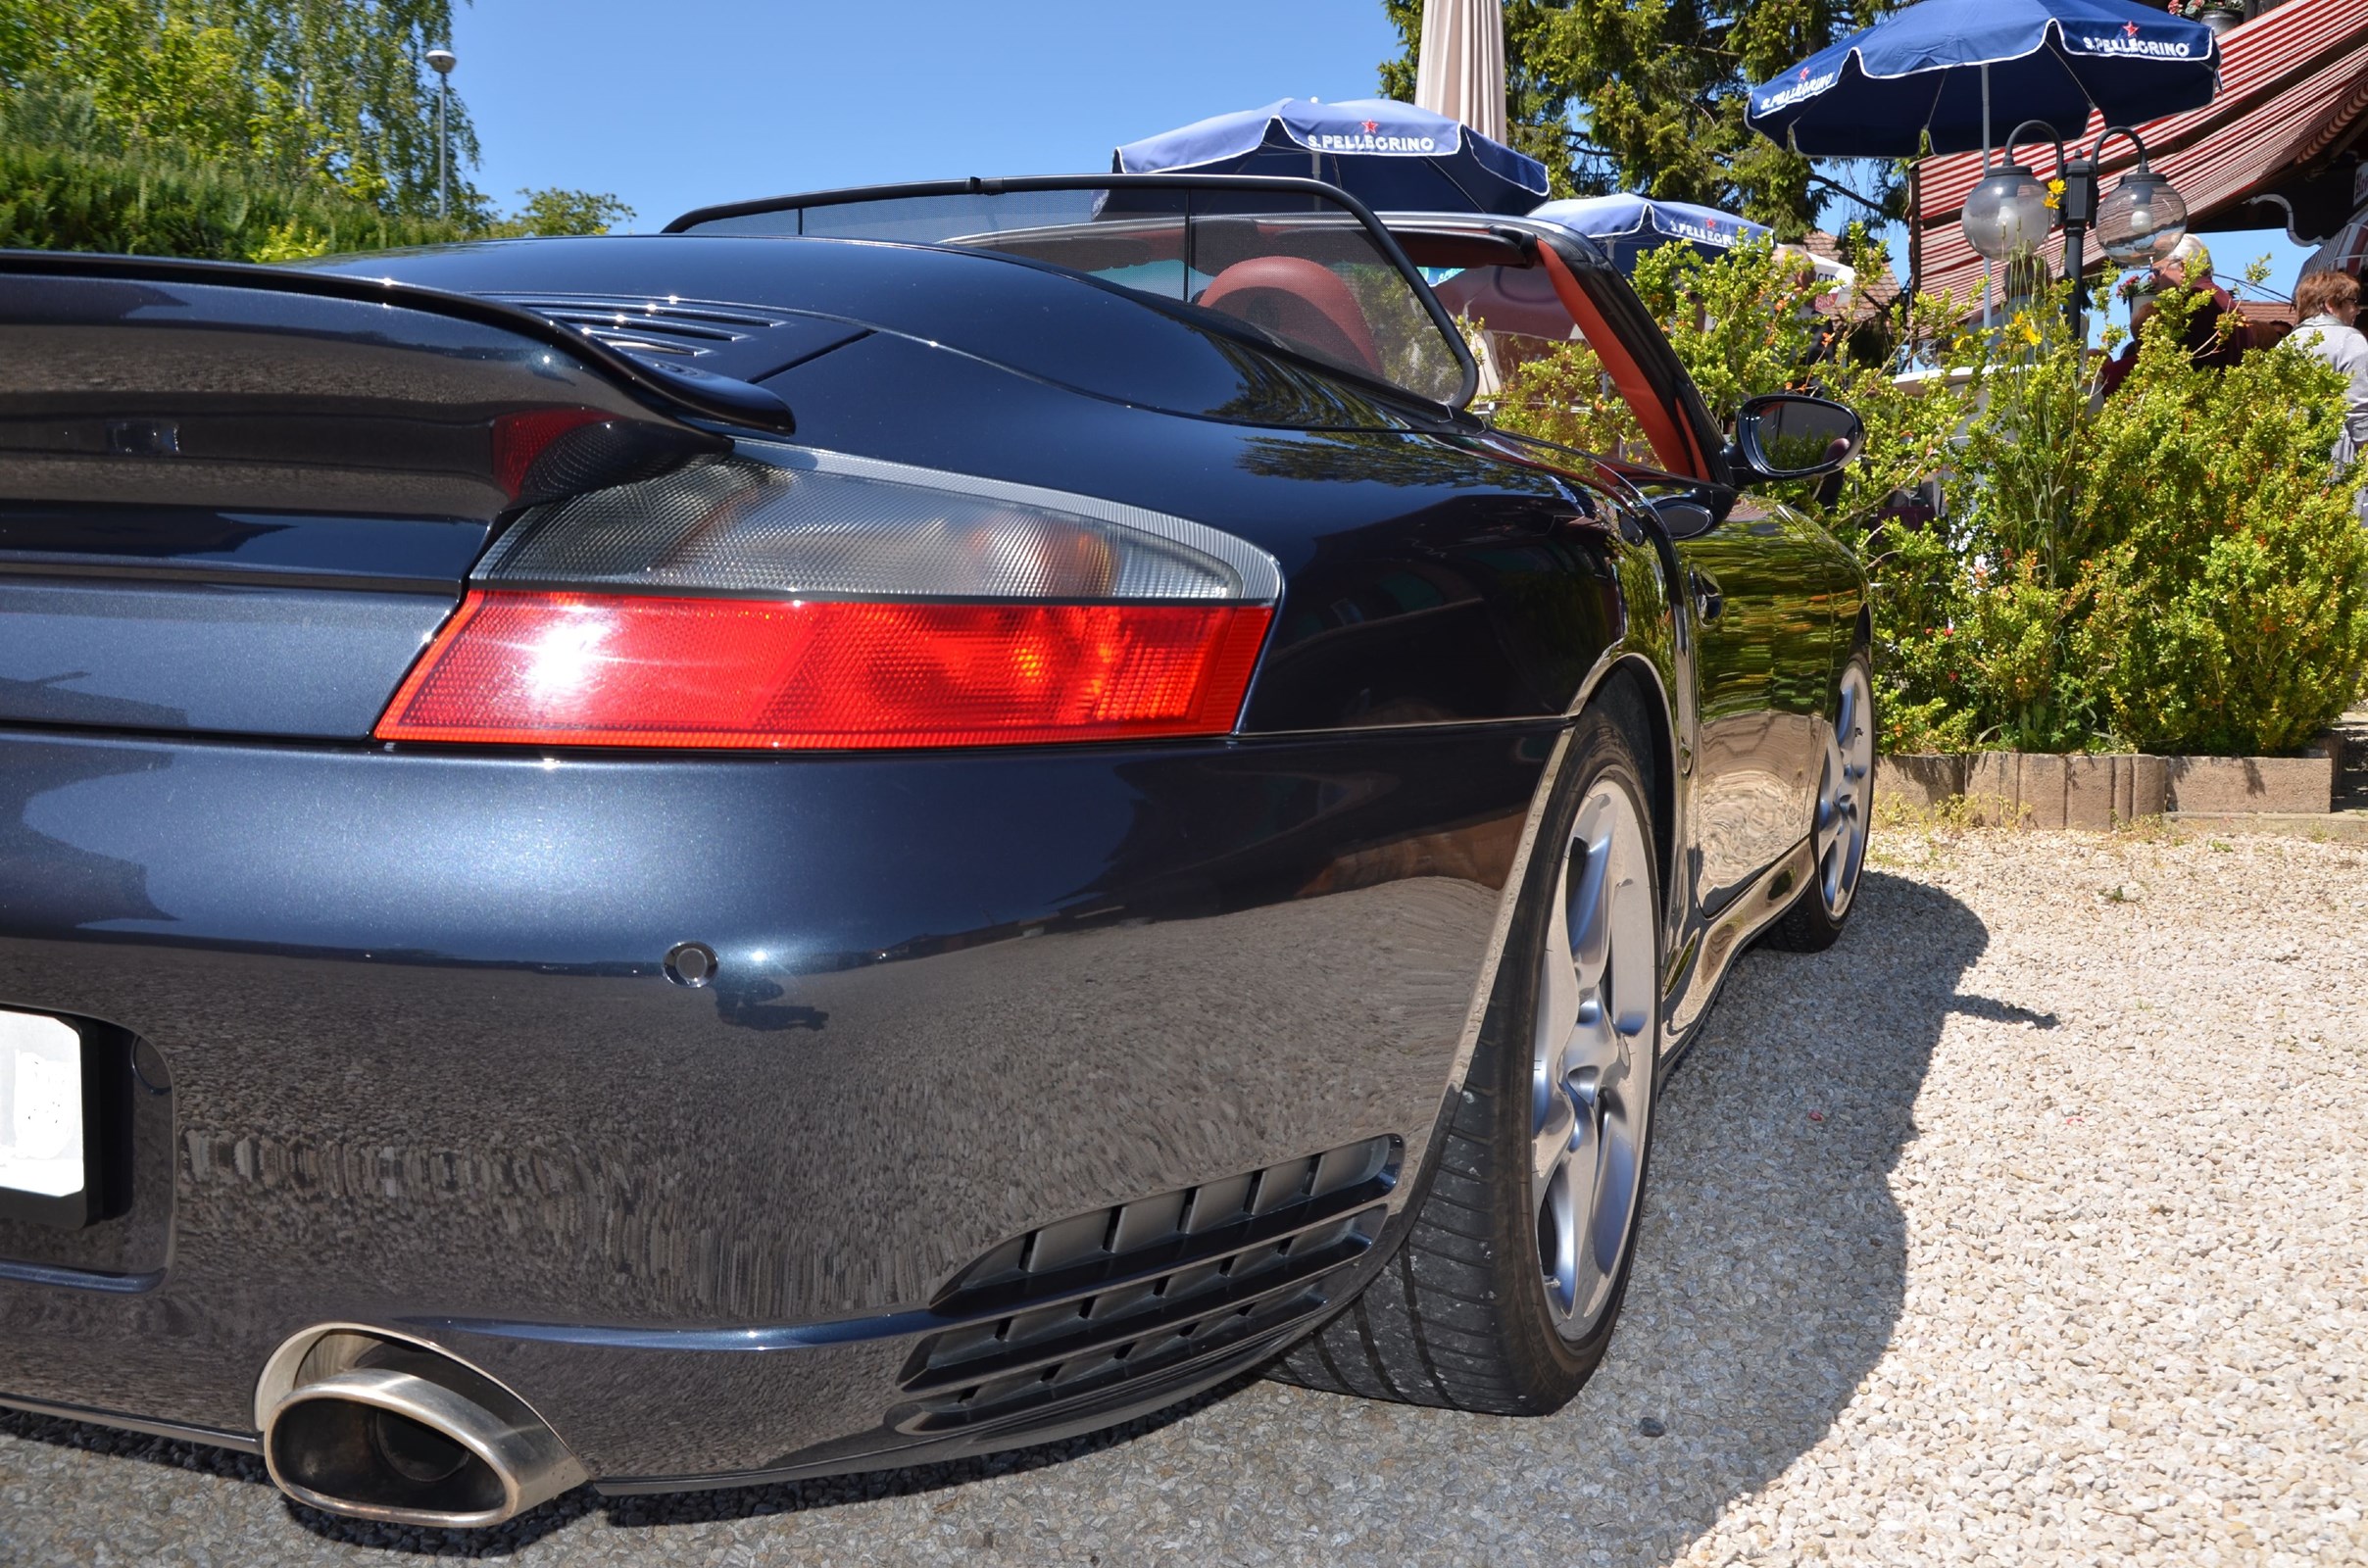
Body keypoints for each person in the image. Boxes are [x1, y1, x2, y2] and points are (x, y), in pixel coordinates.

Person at [2098, 235, 2255, 397]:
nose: (2152, 280)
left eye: (2156, 271)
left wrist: (2110, 374)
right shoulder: (2221, 300)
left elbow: (2161, 367)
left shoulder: (2195, 304)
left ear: (2182, 267)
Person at [2289, 268, 2368, 521]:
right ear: (2332, 304)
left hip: (2291, 456)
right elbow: (2359, 410)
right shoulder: (2349, 340)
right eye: (2352, 303)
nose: (2356, 311)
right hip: (2337, 456)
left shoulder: (2286, 344)